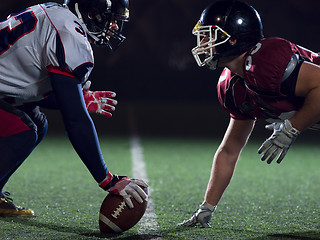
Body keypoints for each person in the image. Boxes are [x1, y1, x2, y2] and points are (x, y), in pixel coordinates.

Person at [179, 0, 320, 228]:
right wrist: (207, 207)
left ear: (233, 39)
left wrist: (293, 127)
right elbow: (229, 150)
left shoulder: (265, 61)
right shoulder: (232, 87)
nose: (203, 42)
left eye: (209, 35)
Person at [0, 0, 148, 217]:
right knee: (24, 129)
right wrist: (107, 179)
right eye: (111, 18)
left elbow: (24, 86)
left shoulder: (57, 14)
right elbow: (76, 120)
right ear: (89, 13)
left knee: (37, 123)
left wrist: (78, 98)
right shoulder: (71, 35)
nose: (115, 26)